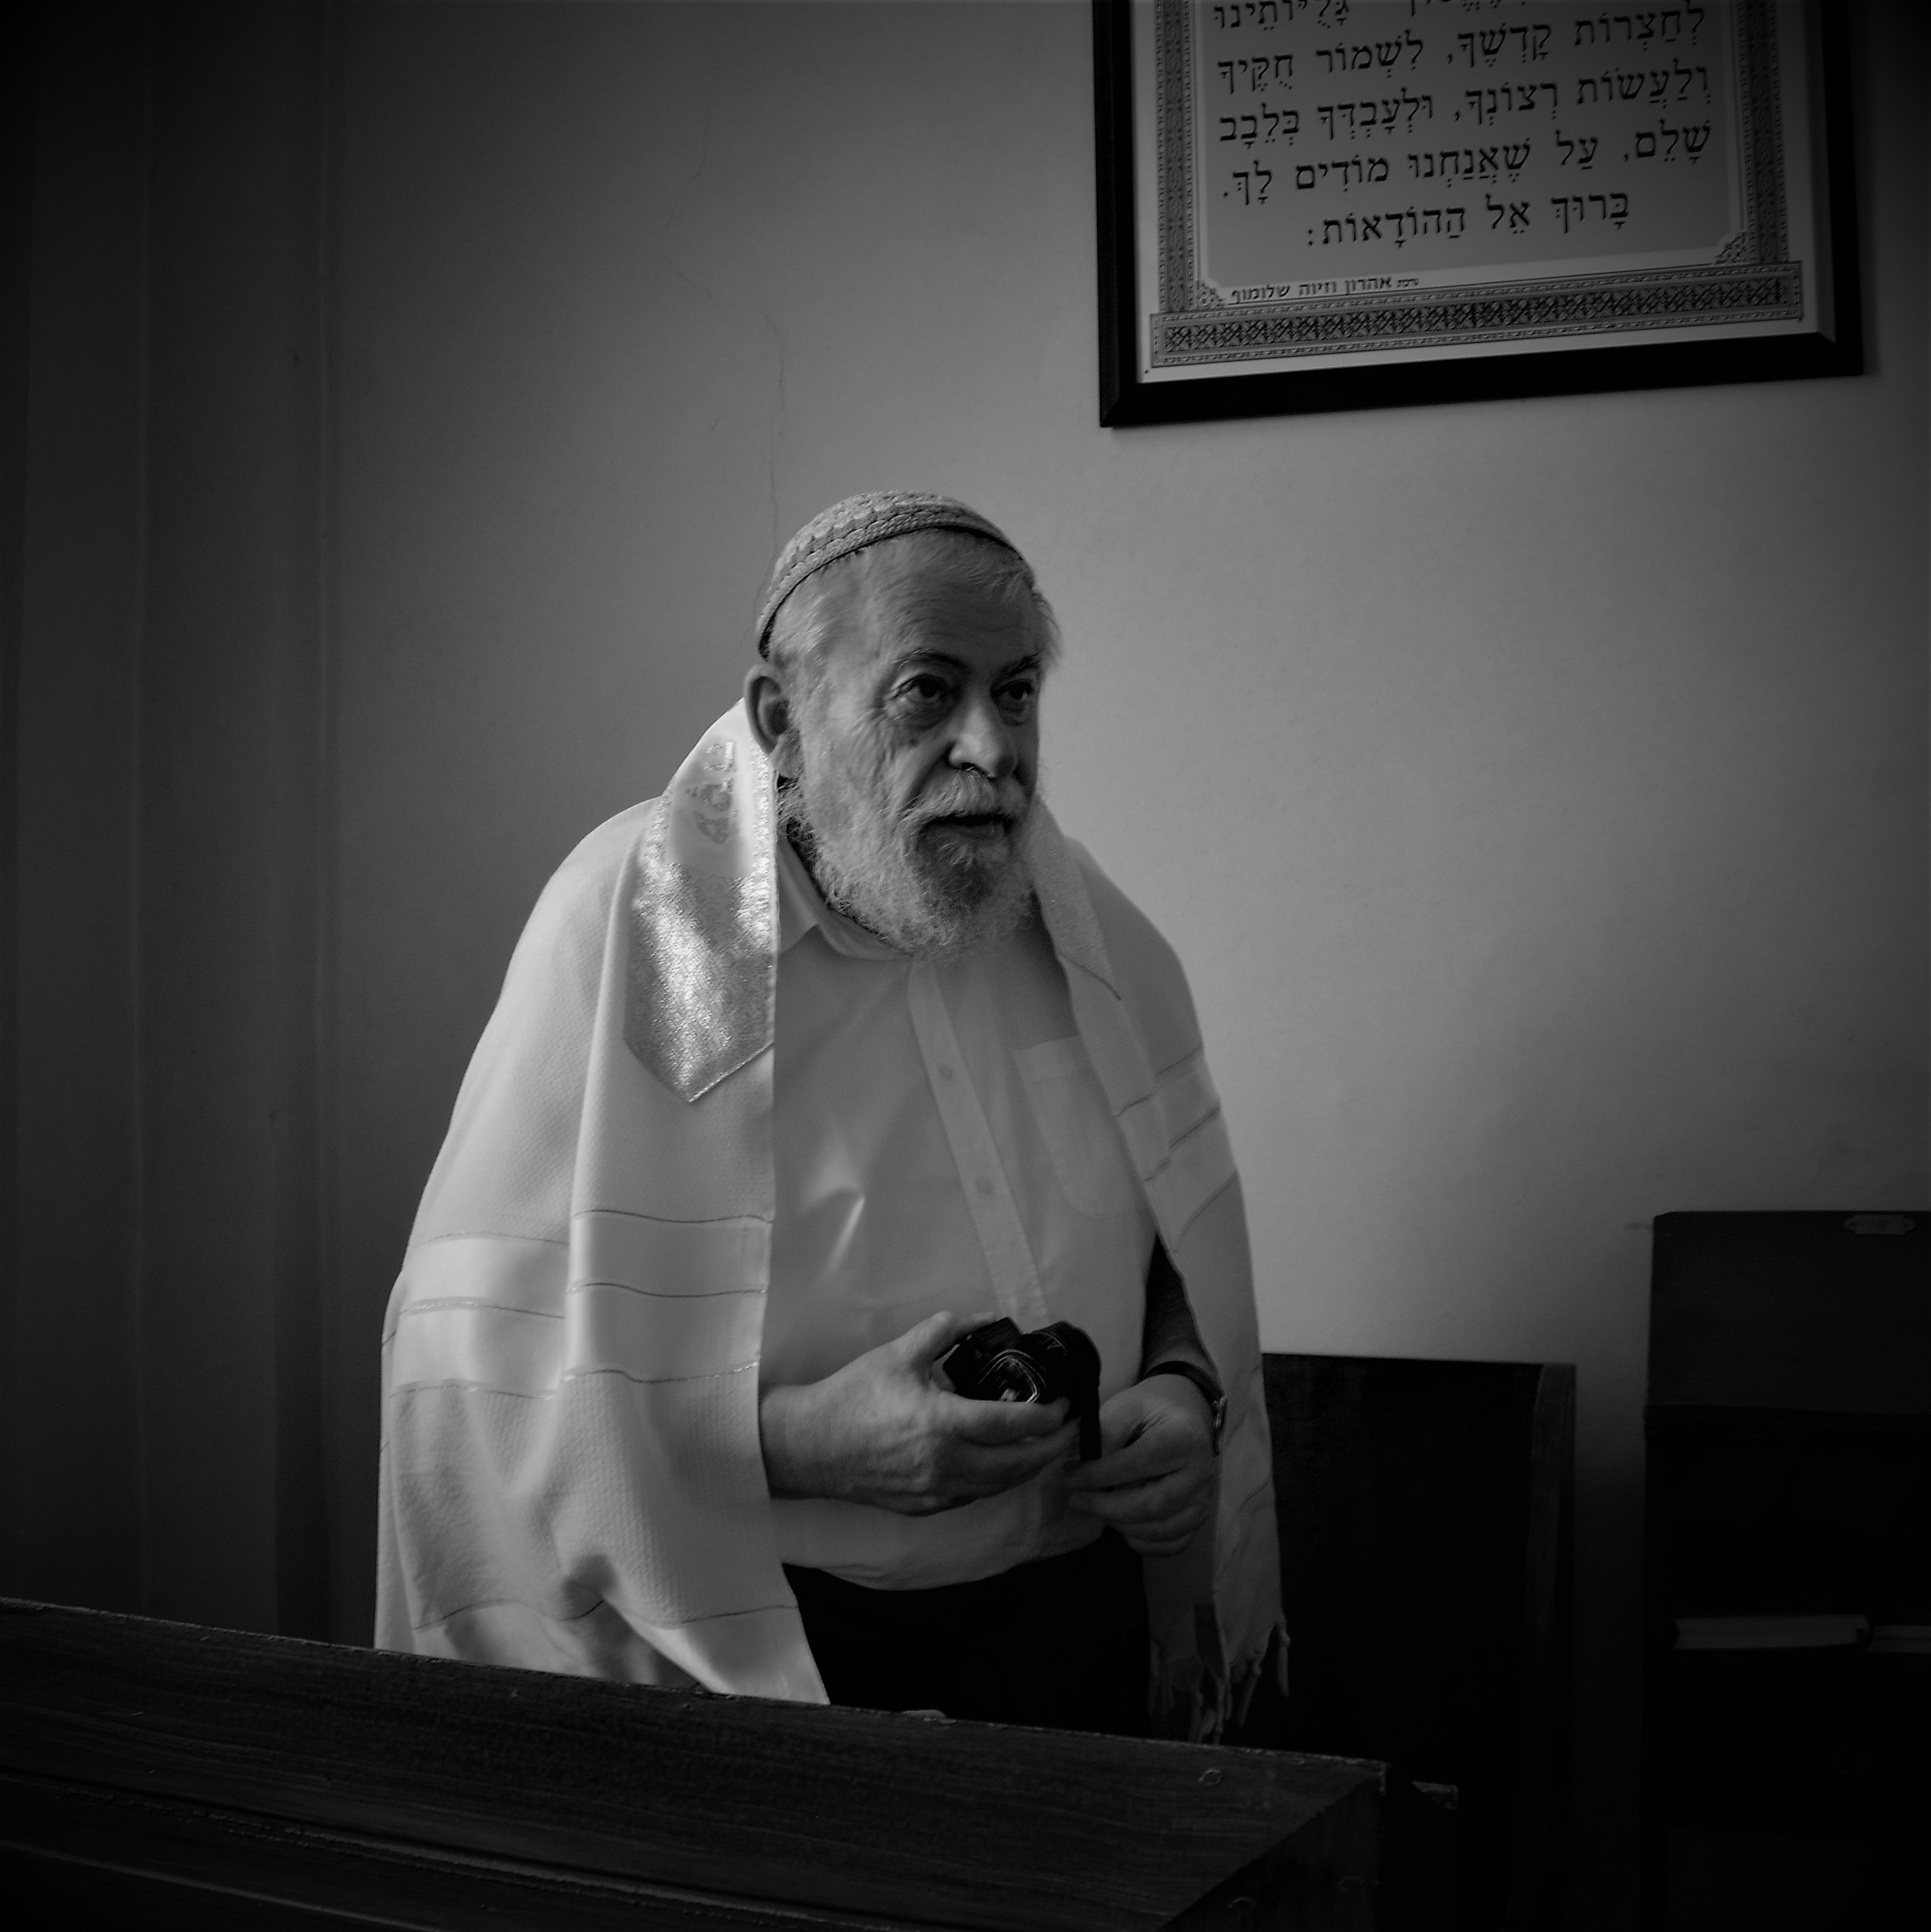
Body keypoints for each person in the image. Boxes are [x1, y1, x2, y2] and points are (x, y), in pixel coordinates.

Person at [376, 492, 1283, 1739]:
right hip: (752, 1655)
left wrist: (1185, 1389)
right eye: (928, 690)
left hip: (1073, 1636)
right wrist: (795, 1446)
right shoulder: (631, 935)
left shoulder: (1090, 936)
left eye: (1016, 692)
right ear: (780, 720)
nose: (993, 746)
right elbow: (464, 1380)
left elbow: (1169, 1242)